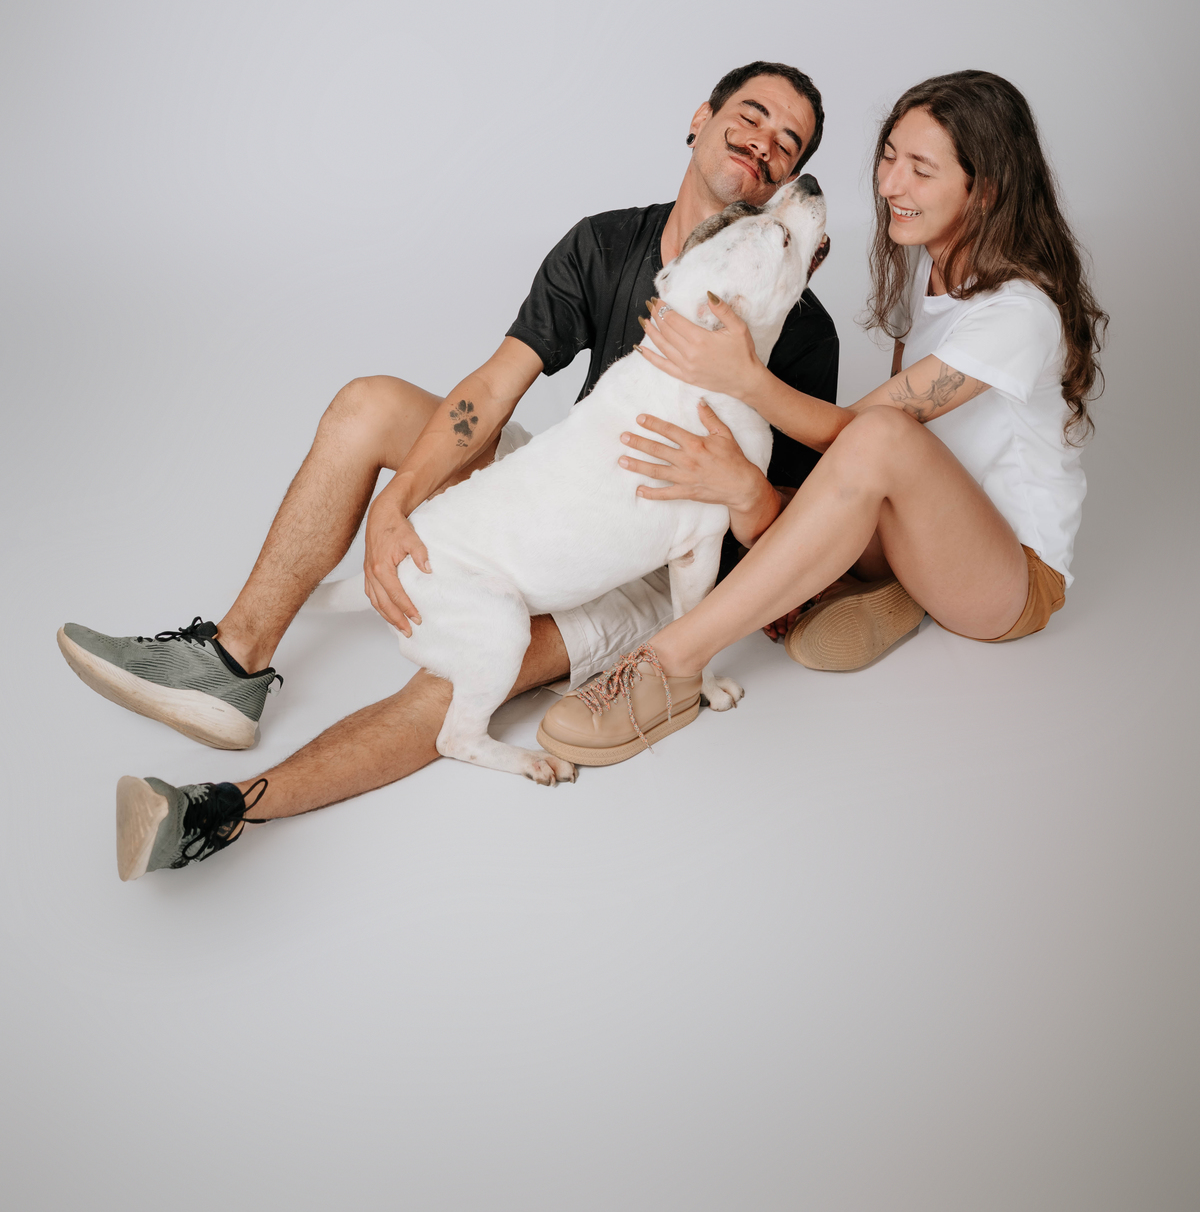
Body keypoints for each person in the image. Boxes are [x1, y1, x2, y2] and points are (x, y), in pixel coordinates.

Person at [60, 61, 840, 876]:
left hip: (639, 569)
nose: (765, 143)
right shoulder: (608, 243)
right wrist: (397, 503)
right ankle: (231, 660)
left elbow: (794, 543)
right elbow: (495, 389)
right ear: (702, 117)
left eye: (789, 143)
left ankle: (220, 809)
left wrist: (742, 485)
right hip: (569, 487)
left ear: (786, 179)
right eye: (752, 115)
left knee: (460, 676)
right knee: (368, 404)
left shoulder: (800, 327)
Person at [536, 69, 1108, 767]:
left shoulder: (1018, 314)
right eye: (889, 157)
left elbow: (865, 434)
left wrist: (745, 378)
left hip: (1009, 578)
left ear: (985, 190)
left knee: (875, 440)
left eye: (920, 169)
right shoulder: (932, 271)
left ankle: (672, 662)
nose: (890, 184)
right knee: (754, 498)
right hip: (911, 531)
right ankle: (891, 589)